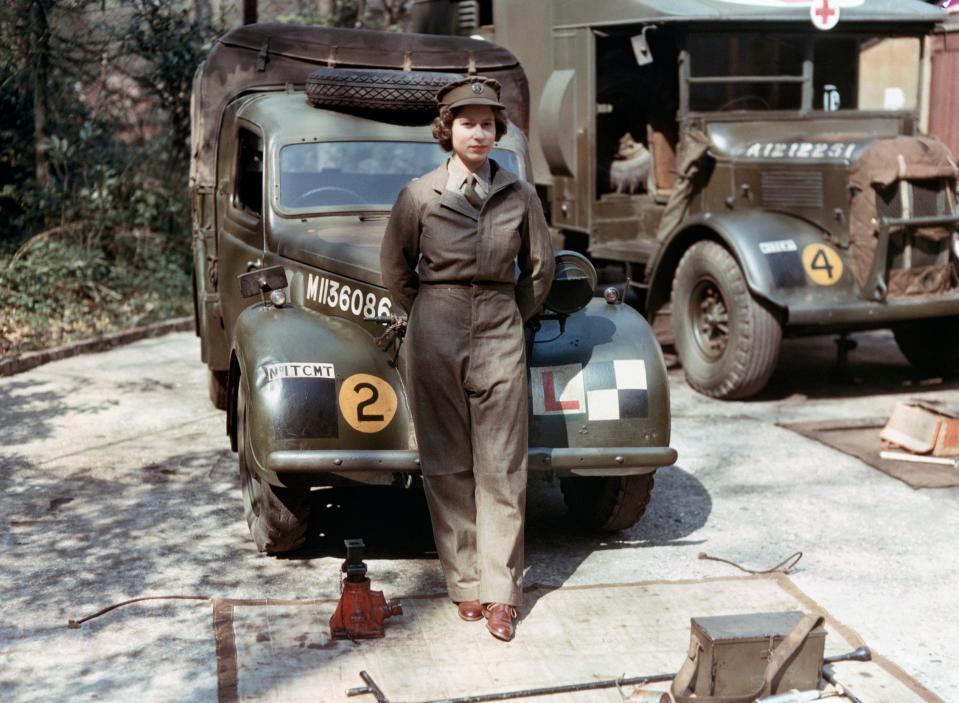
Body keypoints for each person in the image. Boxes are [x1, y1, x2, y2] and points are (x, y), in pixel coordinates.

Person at [379, 76, 554, 642]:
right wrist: (433, 313)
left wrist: (508, 315)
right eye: (466, 122)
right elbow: (396, 274)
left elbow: (541, 270)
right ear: (446, 130)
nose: (478, 132)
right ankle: (467, 585)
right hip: (435, 327)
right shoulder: (418, 195)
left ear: (498, 131)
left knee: (502, 464)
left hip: (501, 326)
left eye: (487, 123)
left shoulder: (520, 195)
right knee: (447, 464)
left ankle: (502, 594)